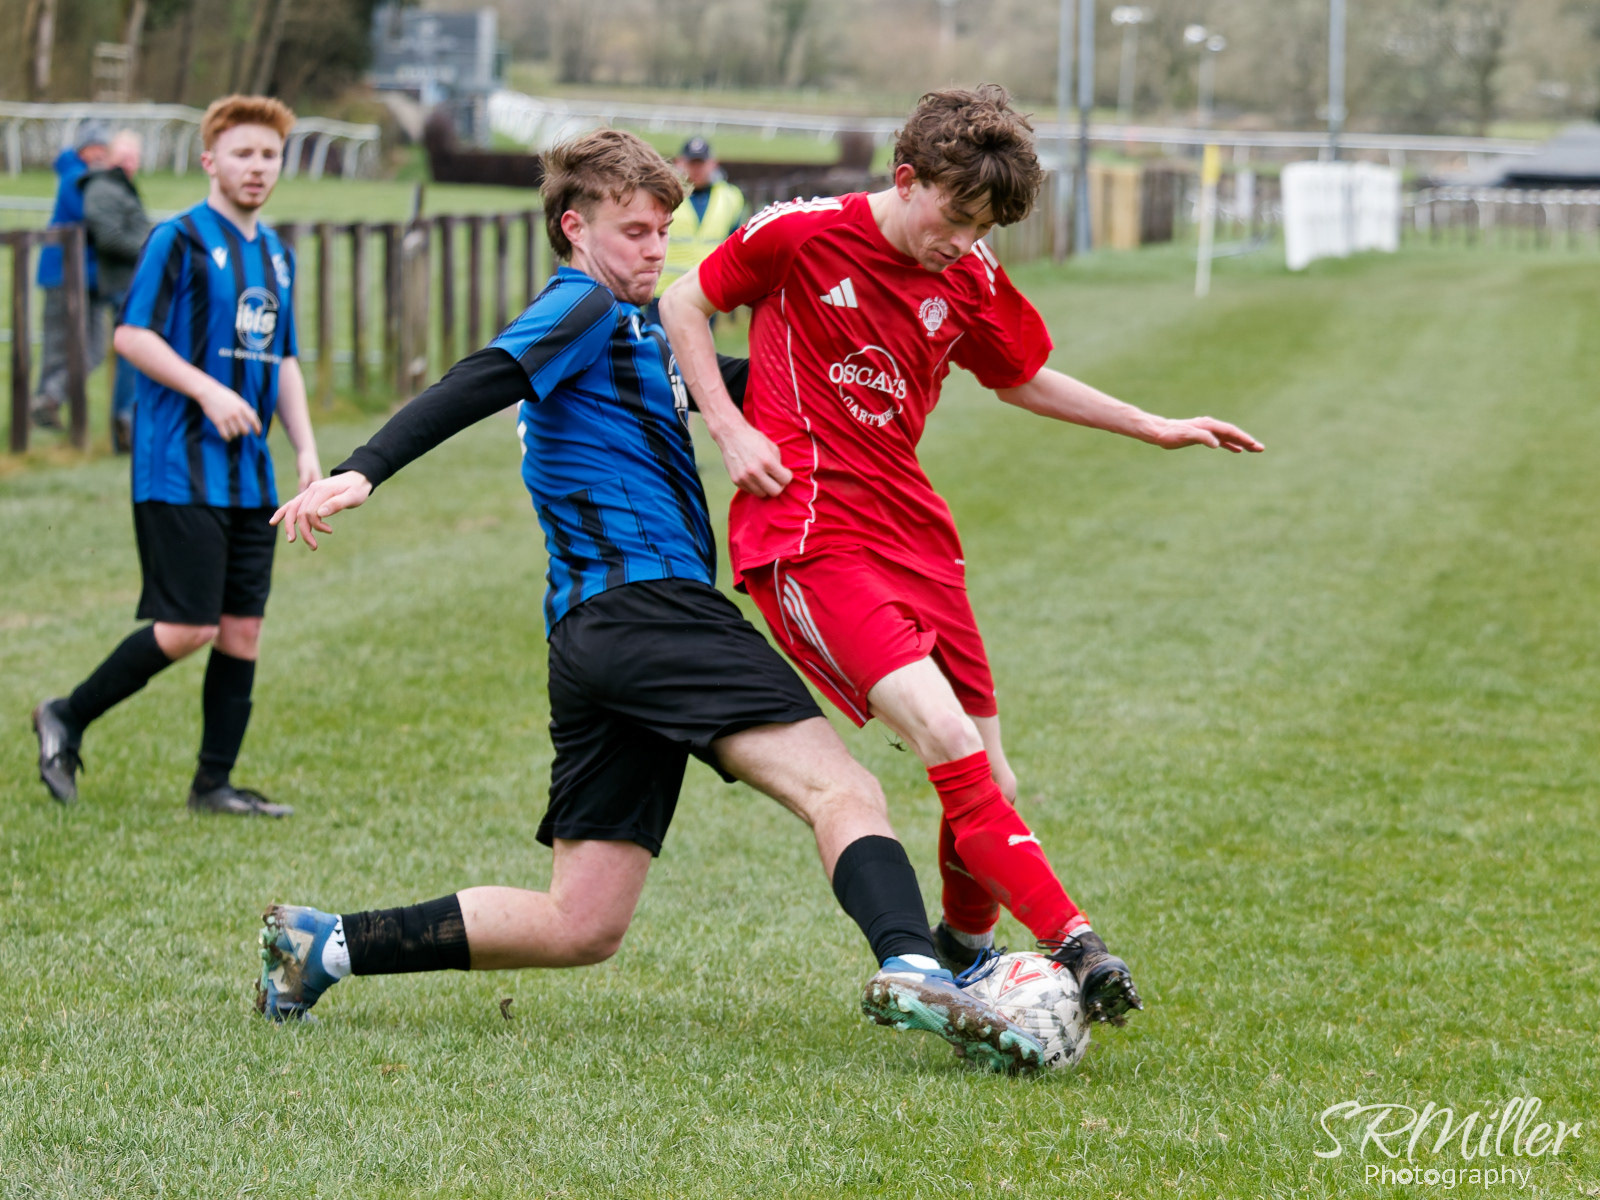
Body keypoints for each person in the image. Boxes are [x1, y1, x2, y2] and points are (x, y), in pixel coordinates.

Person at [258, 129, 1044, 1073]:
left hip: (591, 639)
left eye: (664, 231)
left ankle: (322, 945)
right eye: (634, 231)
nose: (655, 250)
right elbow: (486, 375)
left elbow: (775, 384)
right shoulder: (583, 303)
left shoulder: (639, 333)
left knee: (582, 921)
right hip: (654, 610)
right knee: (844, 789)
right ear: (574, 227)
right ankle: (919, 967)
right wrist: (364, 469)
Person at [660, 83, 1265, 1026]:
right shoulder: (801, 235)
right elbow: (684, 302)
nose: (965, 240)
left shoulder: (970, 274)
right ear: (907, 178)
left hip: (916, 535)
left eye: (985, 227)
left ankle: (966, 951)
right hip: (810, 534)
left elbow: (1020, 376)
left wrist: (1153, 424)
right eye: (956, 216)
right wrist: (731, 430)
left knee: (993, 781)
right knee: (947, 742)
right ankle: (1077, 945)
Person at [31, 95, 321, 818]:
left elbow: (283, 358)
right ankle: (65, 713)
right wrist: (207, 390)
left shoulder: (277, 255)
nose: (257, 167)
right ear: (209, 161)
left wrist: (308, 448)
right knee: (189, 626)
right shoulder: (178, 238)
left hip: (250, 474)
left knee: (243, 629)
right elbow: (131, 336)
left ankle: (213, 785)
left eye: (269, 155)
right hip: (177, 467)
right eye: (243, 153)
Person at [32, 122, 109, 430]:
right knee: (61, 347)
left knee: (88, 348)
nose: (101, 154)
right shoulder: (77, 178)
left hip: (81, 276)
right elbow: (97, 218)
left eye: (104, 148)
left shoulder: (79, 176)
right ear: (83, 149)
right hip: (64, 275)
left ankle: (46, 401)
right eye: (96, 147)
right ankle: (45, 404)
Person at [79, 130, 153, 453]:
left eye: (133, 157)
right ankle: (125, 422)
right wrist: (153, 248)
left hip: (134, 283)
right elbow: (109, 238)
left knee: (139, 355)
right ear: (109, 158)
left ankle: (131, 422)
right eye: (123, 157)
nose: (129, 163)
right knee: (132, 353)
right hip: (120, 284)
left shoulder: (118, 187)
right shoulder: (102, 188)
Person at [653, 137, 745, 300]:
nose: (696, 169)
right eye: (692, 163)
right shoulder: (663, 194)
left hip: (707, 292)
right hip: (665, 290)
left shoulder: (731, 196)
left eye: (701, 164)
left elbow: (735, 244)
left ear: (713, 164)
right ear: (679, 162)